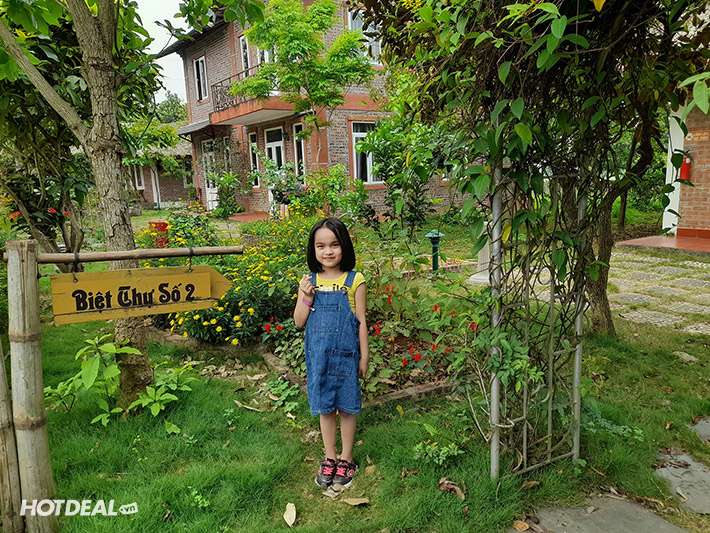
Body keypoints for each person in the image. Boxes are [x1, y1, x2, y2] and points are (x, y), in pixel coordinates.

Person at [294, 217, 369, 488]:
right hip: (320, 358)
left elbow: (361, 321)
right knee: (325, 409)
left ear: (344, 246)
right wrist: (307, 297)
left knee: (347, 408)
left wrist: (364, 356)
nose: (328, 251)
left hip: (347, 357)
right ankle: (330, 457)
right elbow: (299, 321)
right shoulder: (309, 281)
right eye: (321, 246)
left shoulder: (354, 280)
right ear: (313, 249)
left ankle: (346, 459)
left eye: (335, 244)